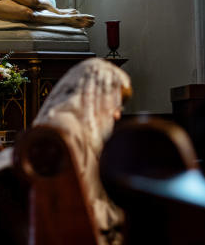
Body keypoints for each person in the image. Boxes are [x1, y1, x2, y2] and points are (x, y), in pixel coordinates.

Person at [33, 58, 132, 244]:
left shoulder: (67, 124)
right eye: (117, 103)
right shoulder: (68, 130)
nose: (118, 114)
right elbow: (70, 202)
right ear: (96, 94)